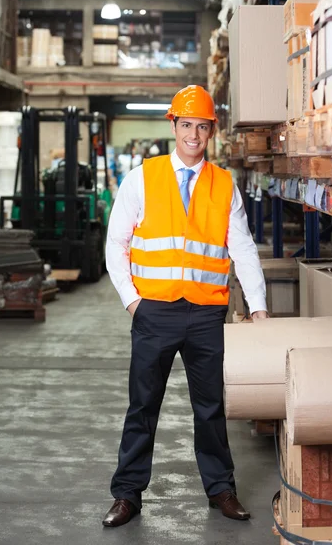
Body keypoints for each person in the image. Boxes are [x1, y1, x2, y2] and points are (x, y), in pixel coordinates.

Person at [104, 84, 268, 528]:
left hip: (205, 313)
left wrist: (258, 307)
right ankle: (127, 495)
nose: (193, 134)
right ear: (173, 126)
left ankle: (221, 489)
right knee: (143, 405)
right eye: (186, 125)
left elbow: (244, 249)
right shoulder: (142, 177)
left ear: (211, 131)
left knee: (210, 406)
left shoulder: (223, 184)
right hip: (153, 311)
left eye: (202, 126)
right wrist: (133, 302)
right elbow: (115, 244)